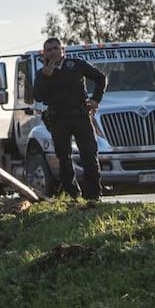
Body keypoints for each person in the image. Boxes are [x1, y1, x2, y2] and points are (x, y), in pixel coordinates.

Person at [32, 37, 107, 204]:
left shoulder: (76, 64)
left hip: (80, 116)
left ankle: (93, 195)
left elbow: (100, 78)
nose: (53, 52)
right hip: (58, 119)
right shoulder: (42, 73)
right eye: (49, 50)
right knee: (64, 158)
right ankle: (72, 195)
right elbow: (38, 96)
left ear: (62, 50)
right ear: (45, 54)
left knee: (89, 155)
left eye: (55, 48)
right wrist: (46, 77)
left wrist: (96, 100)